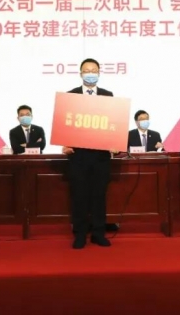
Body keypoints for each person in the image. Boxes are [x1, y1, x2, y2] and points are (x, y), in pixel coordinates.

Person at [62, 58, 113, 249]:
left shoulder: (108, 96)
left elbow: (112, 122)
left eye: (94, 70)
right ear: (80, 73)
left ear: (99, 73)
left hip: (101, 156)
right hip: (78, 155)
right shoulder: (71, 96)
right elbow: (65, 123)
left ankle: (98, 233)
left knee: (99, 196)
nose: (90, 73)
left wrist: (115, 142)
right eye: (87, 70)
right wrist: (65, 143)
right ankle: (80, 234)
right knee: (79, 196)